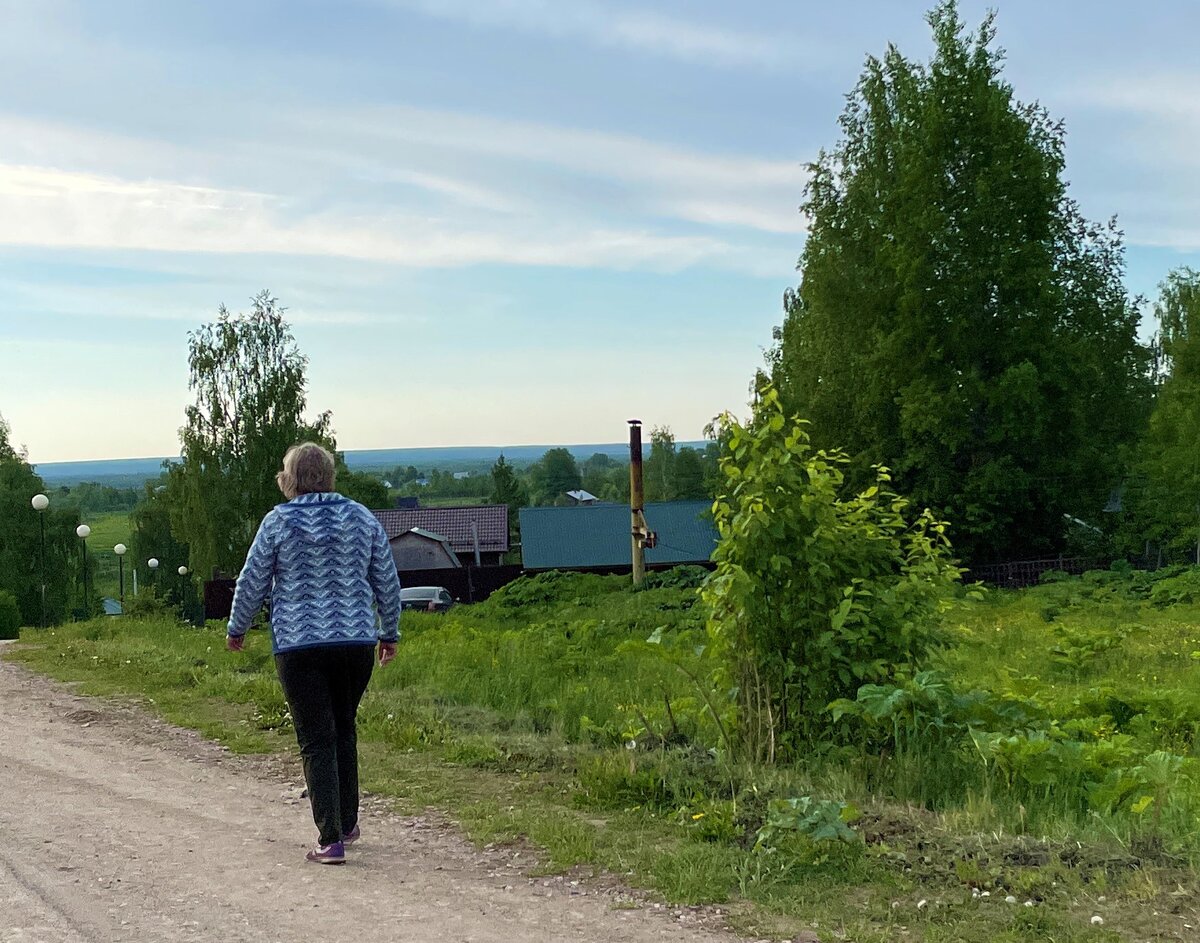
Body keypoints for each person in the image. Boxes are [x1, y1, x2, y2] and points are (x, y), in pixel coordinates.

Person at [226, 442, 401, 865]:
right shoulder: (361, 517)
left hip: (300, 646)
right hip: (356, 643)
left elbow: (252, 579)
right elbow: (386, 579)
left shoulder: (278, 522)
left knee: (316, 739)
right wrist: (388, 632)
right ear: (329, 475)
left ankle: (330, 838)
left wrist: (237, 628)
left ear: (290, 480)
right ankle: (348, 821)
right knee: (343, 728)